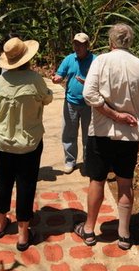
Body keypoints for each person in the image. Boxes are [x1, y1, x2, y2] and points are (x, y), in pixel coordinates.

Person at [76, 23, 139, 250]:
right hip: (129, 136)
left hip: (101, 133)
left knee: (97, 180)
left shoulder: (101, 61)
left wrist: (113, 115)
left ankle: (90, 229)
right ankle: (124, 234)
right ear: (129, 42)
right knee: (125, 182)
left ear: (111, 41)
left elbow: (89, 94)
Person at [0, 36, 53, 251]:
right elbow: (47, 98)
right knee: (26, 185)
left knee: (3, 181)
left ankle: (0, 224)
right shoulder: (35, 79)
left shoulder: (2, 79)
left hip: (4, 142)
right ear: (27, 58)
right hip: (29, 143)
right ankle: (23, 236)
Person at [51, 32, 96, 174]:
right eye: (75, 44)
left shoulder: (96, 61)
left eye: (81, 44)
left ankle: (88, 162)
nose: (77, 47)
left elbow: (102, 80)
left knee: (88, 135)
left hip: (89, 104)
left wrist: (87, 82)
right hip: (71, 102)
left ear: (87, 46)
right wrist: (56, 79)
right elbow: (60, 74)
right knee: (69, 133)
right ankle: (70, 161)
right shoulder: (69, 59)